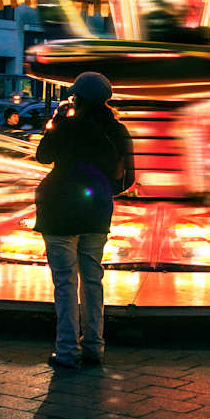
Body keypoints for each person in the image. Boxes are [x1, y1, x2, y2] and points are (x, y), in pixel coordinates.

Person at [34, 72, 135, 368]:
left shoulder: (66, 126)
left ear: (79, 98)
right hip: (97, 214)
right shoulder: (119, 131)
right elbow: (129, 178)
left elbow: (42, 156)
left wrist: (55, 120)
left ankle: (67, 351)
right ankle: (94, 347)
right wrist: (103, 191)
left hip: (59, 213)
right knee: (92, 279)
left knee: (65, 282)